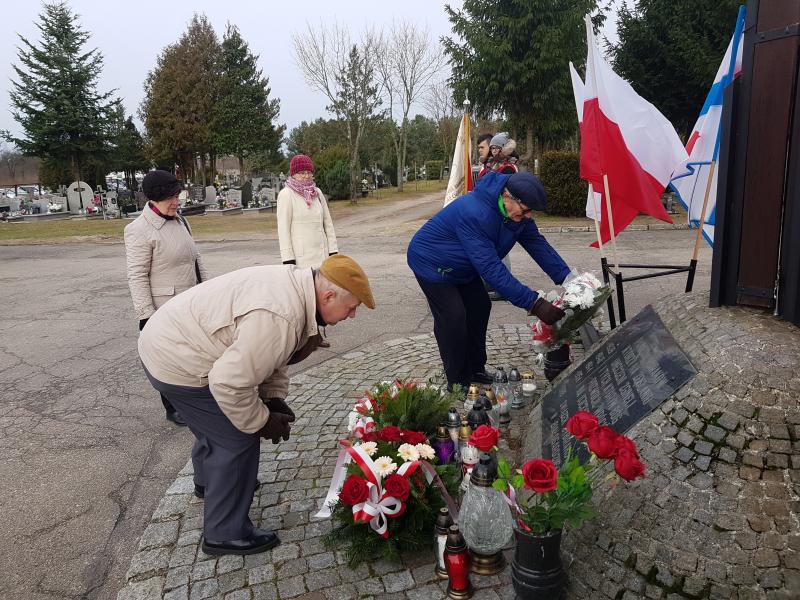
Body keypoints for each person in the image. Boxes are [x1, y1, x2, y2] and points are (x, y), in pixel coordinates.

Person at [138, 255, 375, 555]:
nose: (352, 315)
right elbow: (229, 384)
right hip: (177, 361)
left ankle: (209, 482)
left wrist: (273, 397)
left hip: (167, 342)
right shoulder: (281, 315)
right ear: (328, 296)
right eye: (351, 308)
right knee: (235, 437)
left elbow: (272, 354)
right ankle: (224, 532)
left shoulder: (295, 288)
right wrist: (261, 422)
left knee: (215, 424)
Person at [407, 171, 570, 392]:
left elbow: (538, 246)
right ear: (507, 197)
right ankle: (457, 381)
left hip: (463, 265)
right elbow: (492, 270)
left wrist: (569, 279)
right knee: (453, 317)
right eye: (526, 209)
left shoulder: (516, 216)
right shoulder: (475, 212)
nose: (529, 215)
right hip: (431, 262)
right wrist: (535, 304)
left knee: (480, 307)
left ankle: (475, 369)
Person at [124, 170, 209, 426]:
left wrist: (208, 290)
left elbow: (196, 259)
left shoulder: (181, 221)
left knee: (195, 355)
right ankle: (173, 407)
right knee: (169, 359)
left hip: (191, 301)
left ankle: (197, 401)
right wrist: (145, 315)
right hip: (164, 306)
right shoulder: (138, 229)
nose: (176, 202)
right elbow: (137, 275)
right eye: (170, 198)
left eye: (176, 196)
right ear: (154, 199)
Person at [278, 154, 338, 269]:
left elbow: (328, 223)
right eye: (302, 173)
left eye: (309, 172)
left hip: (323, 255)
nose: (306, 176)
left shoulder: (317, 192)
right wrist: (288, 259)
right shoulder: (286, 194)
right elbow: (283, 229)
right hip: (302, 259)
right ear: (293, 174)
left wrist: (333, 250)